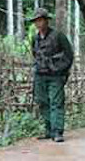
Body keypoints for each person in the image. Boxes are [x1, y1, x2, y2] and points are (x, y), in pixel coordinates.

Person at [29, 8, 74, 143]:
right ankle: (49, 130)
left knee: (56, 102)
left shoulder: (58, 35)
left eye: (41, 20)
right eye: (36, 21)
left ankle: (57, 131)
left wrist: (61, 70)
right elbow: (35, 54)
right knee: (42, 101)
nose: (38, 23)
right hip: (40, 75)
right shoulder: (35, 38)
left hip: (55, 75)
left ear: (46, 21)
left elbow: (68, 54)